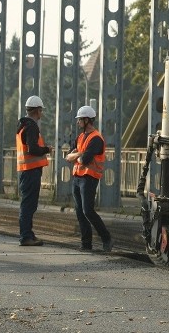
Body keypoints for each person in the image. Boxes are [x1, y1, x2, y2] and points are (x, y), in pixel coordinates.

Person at [65, 105, 113, 252]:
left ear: (87, 120)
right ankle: (86, 244)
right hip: (77, 177)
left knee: (88, 211)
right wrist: (79, 154)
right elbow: (67, 156)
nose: (78, 122)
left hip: (89, 178)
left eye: (80, 120)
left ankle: (106, 238)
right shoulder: (80, 137)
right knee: (80, 212)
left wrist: (77, 154)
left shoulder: (96, 138)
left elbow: (85, 160)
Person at [16, 95, 51, 246]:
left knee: (28, 204)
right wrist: (46, 149)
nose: (41, 113)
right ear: (37, 110)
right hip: (30, 171)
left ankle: (28, 234)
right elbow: (33, 149)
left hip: (26, 171)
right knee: (28, 205)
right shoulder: (32, 126)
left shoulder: (23, 125)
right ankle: (25, 237)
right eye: (41, 110)